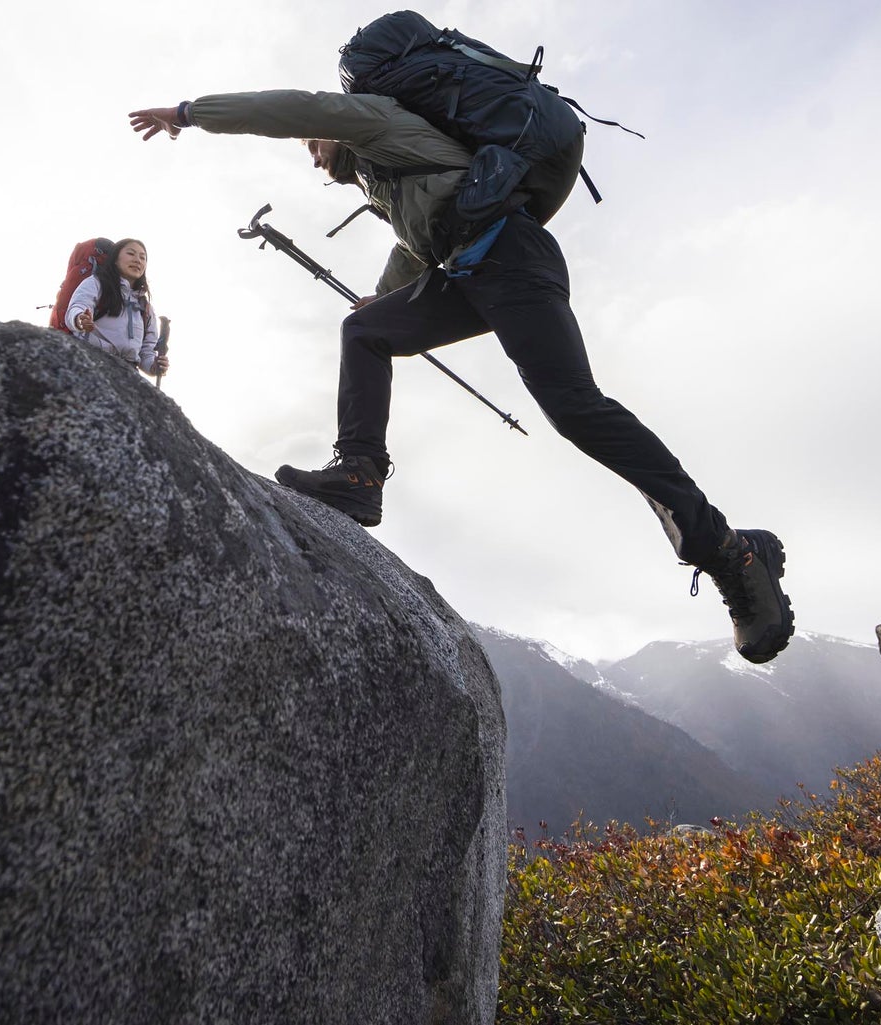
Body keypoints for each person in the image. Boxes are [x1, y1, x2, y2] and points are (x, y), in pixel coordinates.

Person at [127, 91, 792, 663]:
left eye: (311, 143)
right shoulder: (385, 176)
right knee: (365, 332)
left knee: (575, 408)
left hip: (514, 256)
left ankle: (729, 551)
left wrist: (192, 113)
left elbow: (300, 106)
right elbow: (421, 240)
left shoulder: (373, 120)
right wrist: (381, 297)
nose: (311, 152)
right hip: (469, 271)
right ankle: (359, 475)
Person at [68, 237, 168, 378]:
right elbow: (77, 307)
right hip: (91, 360)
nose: (137, 260)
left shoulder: (145, 307)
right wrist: (80, 319)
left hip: (128, 372)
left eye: (143, 257)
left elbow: (146, 352)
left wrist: (154, 366)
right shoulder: (96, 284)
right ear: (115, 259)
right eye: (131, 254)